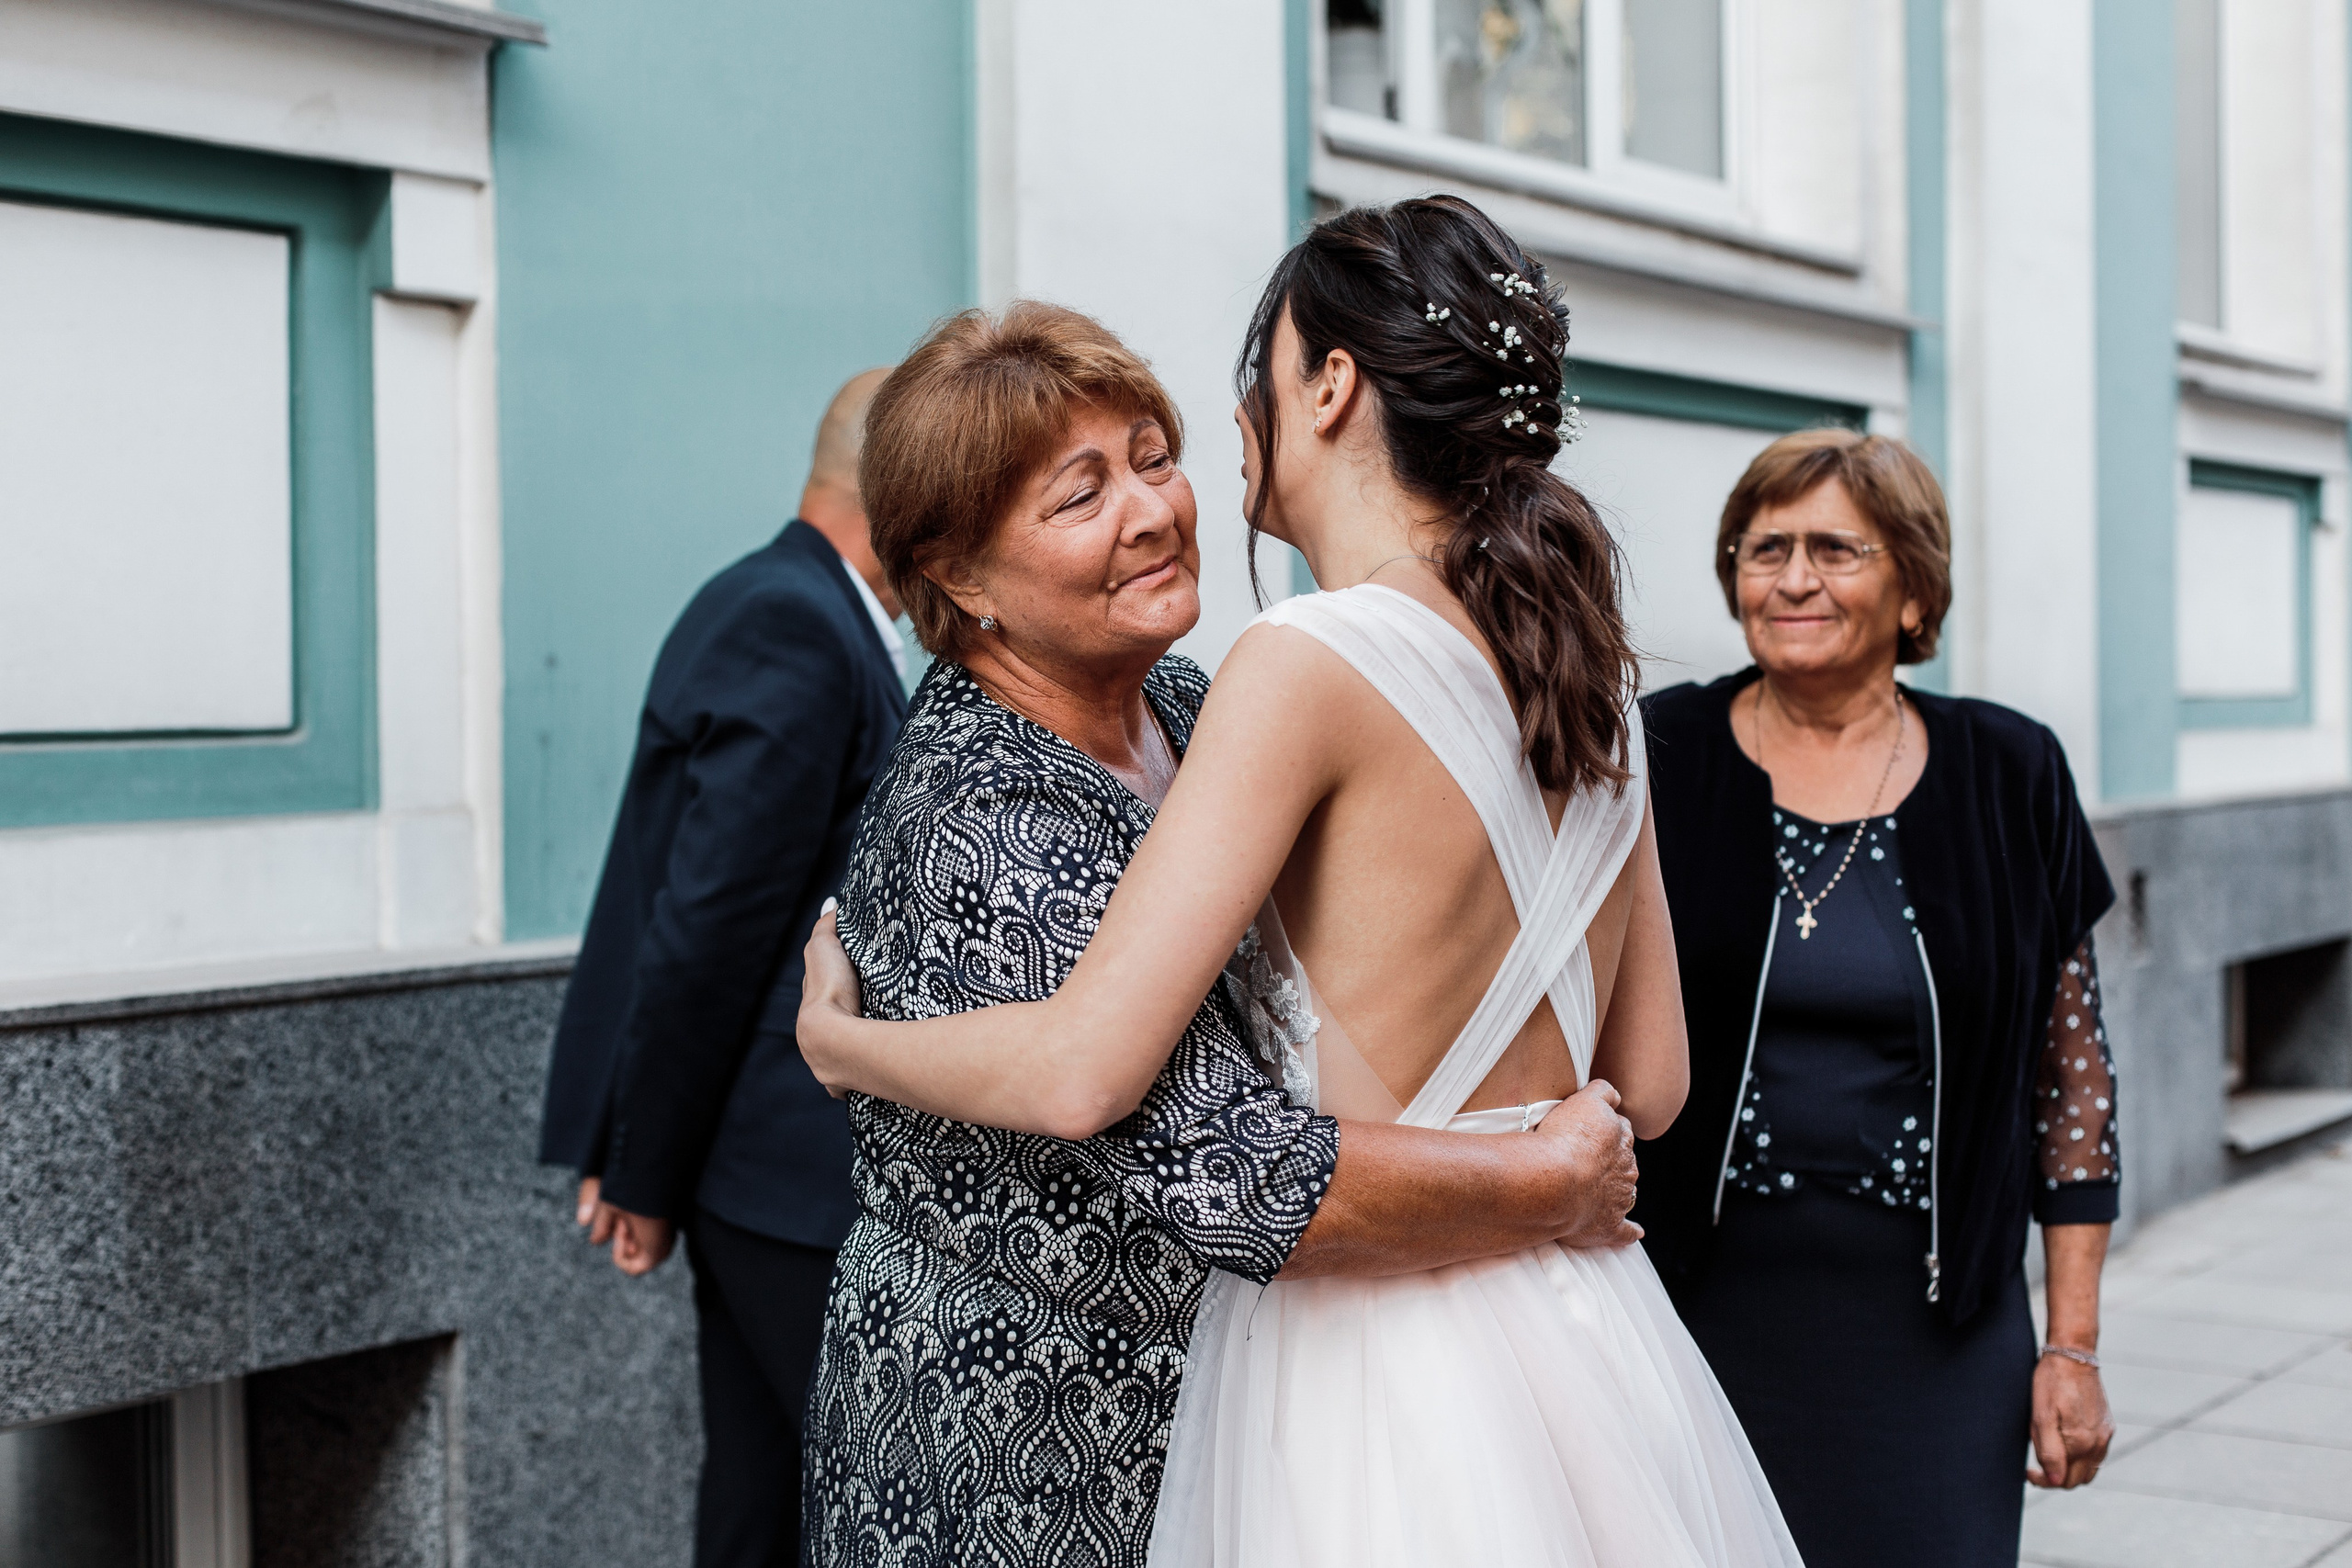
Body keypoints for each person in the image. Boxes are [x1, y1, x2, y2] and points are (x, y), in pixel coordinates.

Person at [798, 199, 1803, 1566]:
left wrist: (846, 1044)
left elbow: (1094, 1070)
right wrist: (1543, 1163)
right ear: (959, 577)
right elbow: (1657, 1081)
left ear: (1329, 382)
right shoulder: (1582, 666)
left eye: (1155, 455)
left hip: (1369, 1350)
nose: (1161, 498)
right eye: (1084, 491)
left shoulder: (1269, 674)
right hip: (1087, 1436)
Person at [1632, 428, 2119, 1568]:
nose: (1792, 579)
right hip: (1695, 1304)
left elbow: (2071, 1084)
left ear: (1913, 587)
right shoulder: (1660, 752)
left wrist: (2075, 1345)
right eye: (1765, 549)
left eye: (1835, 550)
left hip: (1935, 1328)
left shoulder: (2011, 771)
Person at [535, 368, 909, 1568]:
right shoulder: (794, 621)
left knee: (762, 1502)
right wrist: (642, 1162)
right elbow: (705, 920)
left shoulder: (789, 602)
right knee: (864, 1501)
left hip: (761, 1164)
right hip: (781, 1168)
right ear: (901, 489)